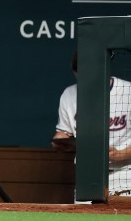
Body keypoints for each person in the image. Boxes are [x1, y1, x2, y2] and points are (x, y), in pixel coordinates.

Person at [52, 52, 131, 197]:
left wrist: (121, 155)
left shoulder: (128, 91)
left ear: (102, 69)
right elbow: (64, 132)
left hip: (125, 173)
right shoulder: (69, 94)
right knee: (85, 218)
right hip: (87, 173)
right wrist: (61, 140)